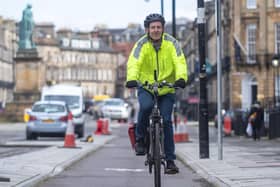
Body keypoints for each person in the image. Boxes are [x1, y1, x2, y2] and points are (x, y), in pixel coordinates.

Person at [126, 13, 188, 174]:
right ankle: (140, 139)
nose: (155, 30)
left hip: (167, 88)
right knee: (146, 107)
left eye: (158, 27)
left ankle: (170, 161)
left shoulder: (172, 43)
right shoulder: (141, 44)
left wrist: (181, 78)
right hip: (146, 86)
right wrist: (132, 79)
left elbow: (179, 61)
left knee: (166, 121)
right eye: (152, 27)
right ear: (147, 29)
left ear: (163, 28)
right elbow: (134, 62)